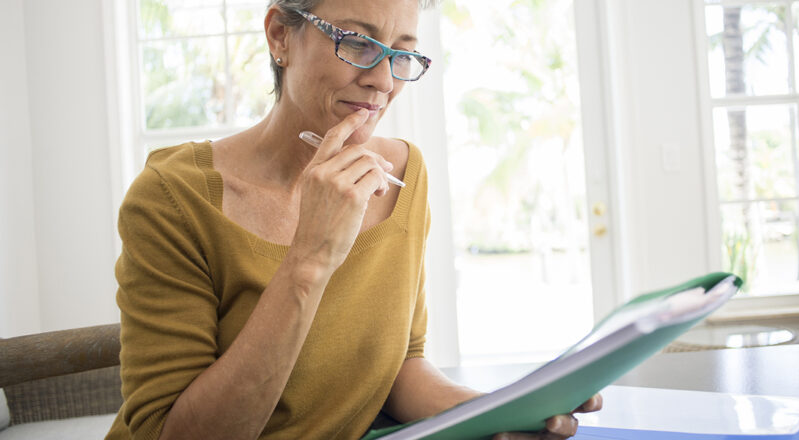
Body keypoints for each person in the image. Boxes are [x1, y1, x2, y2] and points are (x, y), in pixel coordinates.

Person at [105, 0, 601, 439]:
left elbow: (399, 365)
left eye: (401, 54)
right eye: (358, 43)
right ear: (280, 35)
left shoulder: (405, 174)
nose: (384, 82)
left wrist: (494, 413)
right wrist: (310, 256)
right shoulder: (172, 199)